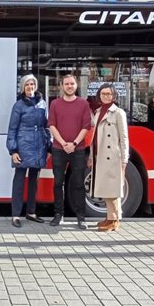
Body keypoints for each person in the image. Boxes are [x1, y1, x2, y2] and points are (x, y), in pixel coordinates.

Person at [48, 74, 92, 229]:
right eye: (66, 84)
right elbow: (52, 125)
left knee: (79, 183)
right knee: (58, 183)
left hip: (78, 149)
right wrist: (63, 143)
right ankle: (58, 215)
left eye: (72, 83)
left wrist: (73, 143)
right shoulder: (54, 104)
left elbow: (86, 126)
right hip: (59, 149)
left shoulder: (83, 104)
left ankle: (81, 218)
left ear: (76, 85)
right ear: (61, 86)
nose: (69, 86)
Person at [5, 74, 48, 228]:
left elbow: (46, 126)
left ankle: (31, 212)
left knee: (33, 181)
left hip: (38, 146)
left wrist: (47, 146)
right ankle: (16, 214)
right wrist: (13, 150)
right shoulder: (18, 106)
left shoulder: (42, 103)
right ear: (23, 87)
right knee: (19, 180)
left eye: (32, 84)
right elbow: (12, 129)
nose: (30, 87)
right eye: (27, 84)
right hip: (23, 147)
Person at [88, 84, 129, 232]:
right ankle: (109, 217)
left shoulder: (118, 113)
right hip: (100, 155)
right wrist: (92, 156)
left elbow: (124, 138)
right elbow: (94, 137)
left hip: (113, 157)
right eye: (103, 94)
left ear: (114, 96)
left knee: (113, 189)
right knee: (106, 188)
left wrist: (125, 159)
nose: (106, 96)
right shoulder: (98, 111)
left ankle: (115, 220)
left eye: (109, 94)